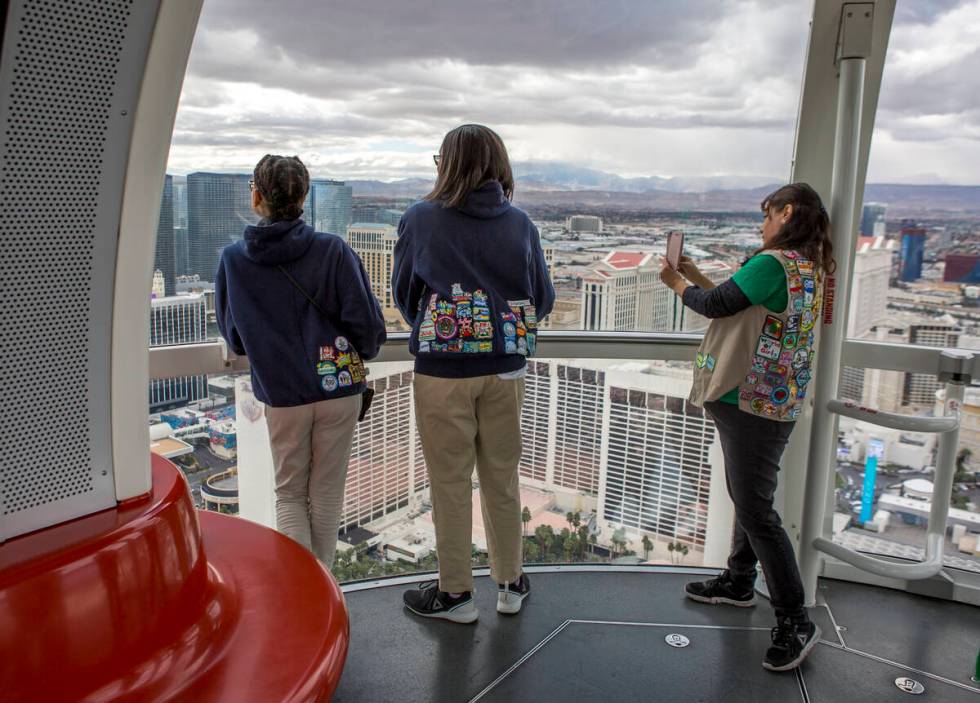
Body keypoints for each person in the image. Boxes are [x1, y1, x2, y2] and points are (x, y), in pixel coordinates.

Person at [660, 182, 834, 672]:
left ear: (787, 212)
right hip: (776, 399)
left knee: (756, 510)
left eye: (767, 214)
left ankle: (795, 619)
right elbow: (733, 296)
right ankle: (738, 580)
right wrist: (690, 272)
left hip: (749, 400)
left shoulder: (773, 263)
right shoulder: (809, 265)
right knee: (748, 497)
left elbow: (715, 306)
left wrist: (675, 284)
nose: (762, 225)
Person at [392, 124, 555, 623]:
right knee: (502, 479)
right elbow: (542, 299)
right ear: (499, 164)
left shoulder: (420, 218)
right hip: (505, 370)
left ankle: (456, 594)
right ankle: (510, 583)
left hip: (442, 372)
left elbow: (404, 294)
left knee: (449, 482)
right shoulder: (521, 224)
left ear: (446, 164)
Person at [215, 154, 386, 567]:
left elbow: (235, 339)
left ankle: (307, 597)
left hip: (283, 393)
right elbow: (368, 331)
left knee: (289, 494)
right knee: (326, 495)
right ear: (304, 196)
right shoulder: (333, 251)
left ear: (257, 196)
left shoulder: (234, 261)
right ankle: (325, 593)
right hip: (339, 389)